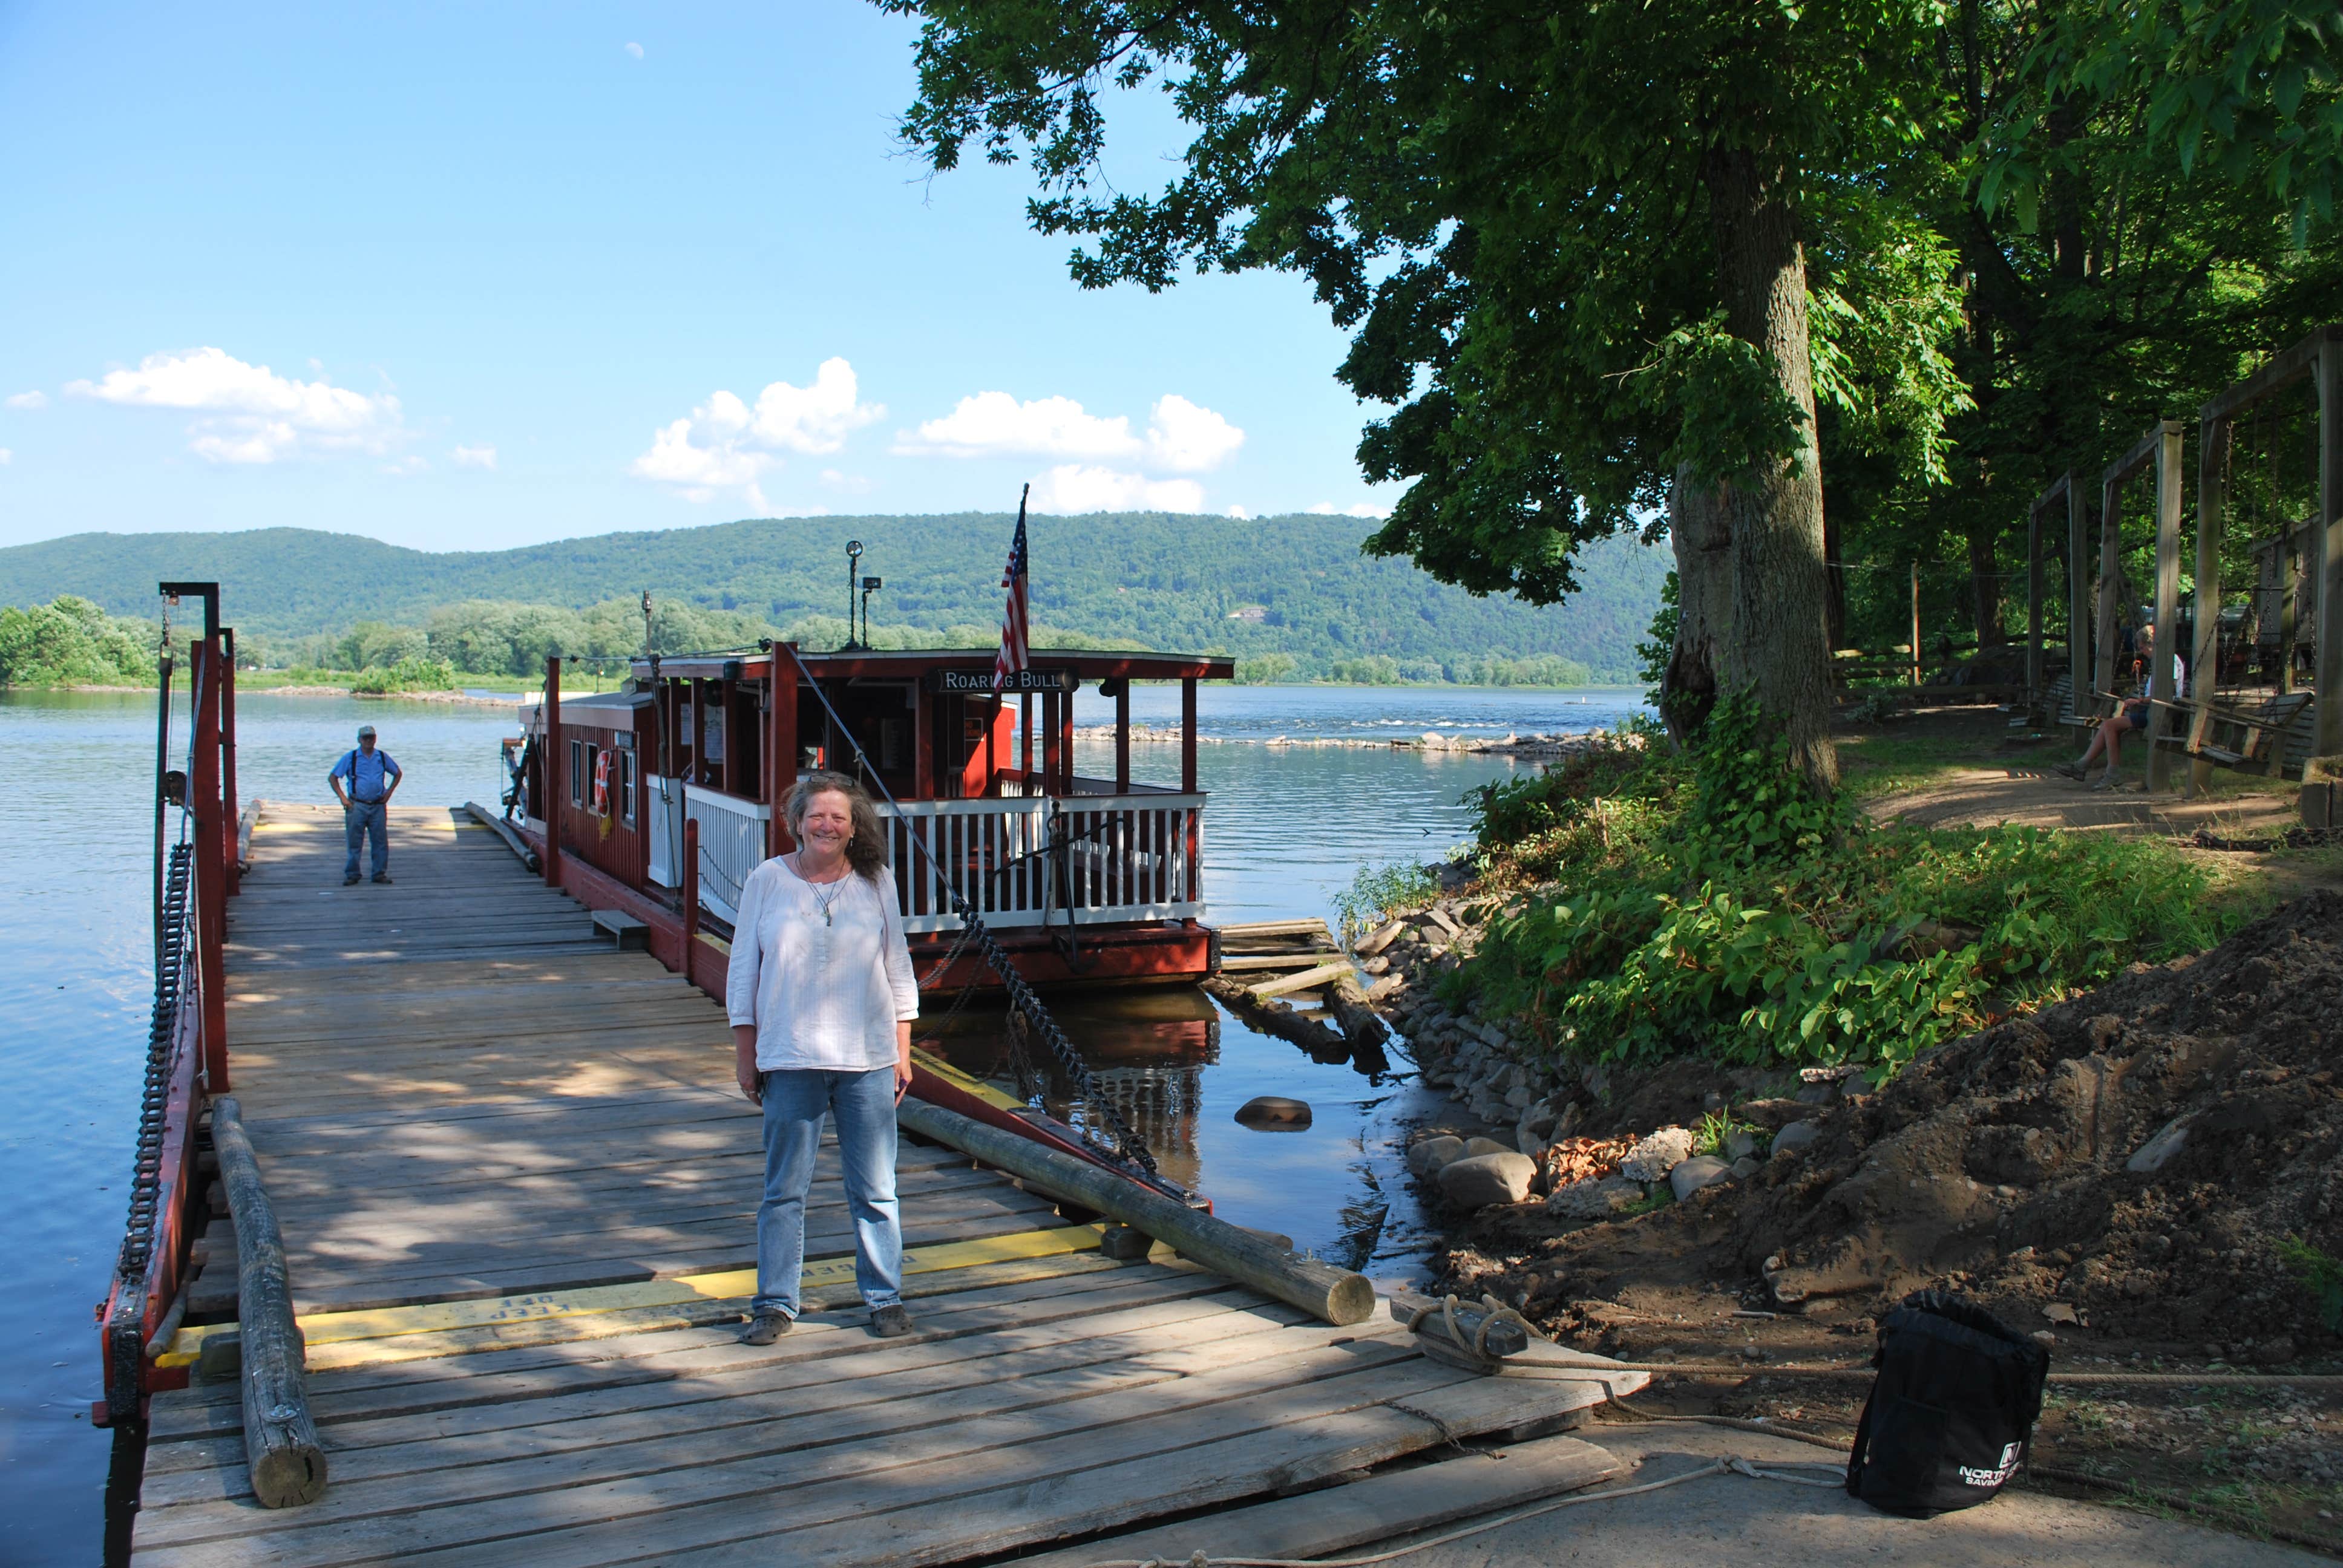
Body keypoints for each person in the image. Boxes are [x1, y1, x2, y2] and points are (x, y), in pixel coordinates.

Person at [727, 771, 919, 1343]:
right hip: (790, 1058)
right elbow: (743, 972)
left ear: (854, 826)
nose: (828, 825)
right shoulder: (767, 880)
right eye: (817, 815)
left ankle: (884, 1298)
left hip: (867, 1059)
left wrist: (903, 1053)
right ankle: (776, 1304)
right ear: (796, 821)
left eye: (839, 816)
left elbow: (898, 965)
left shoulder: (875, 880)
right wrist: (747, 1053)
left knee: (876, 1190)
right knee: (784, 1189)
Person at [2060, 624, 2185, 791]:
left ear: (2152, 644)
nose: (2142, 652)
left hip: (2162, 713)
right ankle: (2085, 767)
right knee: (2109, 726)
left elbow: (2167, 694)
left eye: (2142, 648)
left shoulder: (2168, 661)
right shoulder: (2160, 660)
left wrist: (2140, 701)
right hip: (2153, 710)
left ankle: (2104, 773)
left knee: (2110, 726)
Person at [328, 724, 402, 884]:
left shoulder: (382, 757)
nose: (369, 741)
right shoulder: (351, 758)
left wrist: (389, 793)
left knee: (380, 841)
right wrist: (343, 798)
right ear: (359, 740)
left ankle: (379, 874)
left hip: (378, 805)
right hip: (357, 805)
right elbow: (333, 778)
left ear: (375, 739)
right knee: (354, 841)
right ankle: (353, 874)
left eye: (371, 737)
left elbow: (397, 773)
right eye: (365, 738)